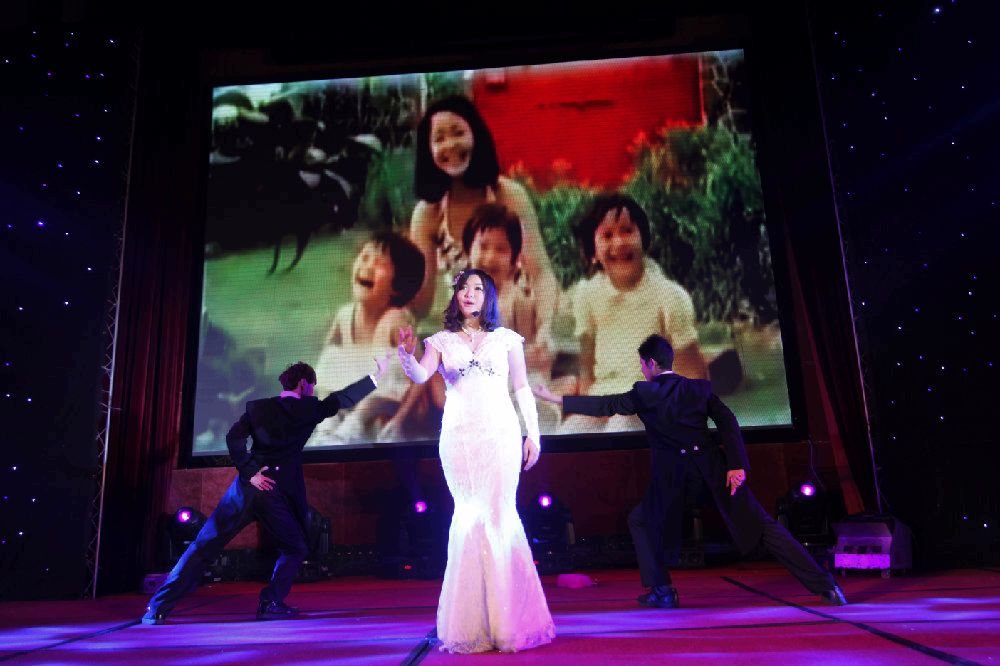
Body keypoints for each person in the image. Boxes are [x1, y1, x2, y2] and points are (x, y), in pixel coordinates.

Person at [533, 334, 847, 609]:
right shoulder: (698, 388)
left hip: (674, 480)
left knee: (640, 520)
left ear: (651, 364)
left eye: (643, 365)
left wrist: (555, 398)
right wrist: (736, 464)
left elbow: (606, 406)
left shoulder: (646, 393)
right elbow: (727, 420)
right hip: (713, 472)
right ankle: (827, 587)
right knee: (763, 526)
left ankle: (663, 591)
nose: (643, 370)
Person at [141, 357, 391, 625]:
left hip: (247, 487)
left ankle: (157, 608)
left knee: (204, 545)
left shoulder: (258, 408)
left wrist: (250, 472)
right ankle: (270, 602)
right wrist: (376, 376)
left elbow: (233, 437)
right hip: (274, 492)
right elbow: (341, 399)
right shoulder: (309, 409)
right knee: (295, 548)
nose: (313, 391)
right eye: (312, 385)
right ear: (303, 384)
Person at [397, 268, 555, 653]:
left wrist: (533, 435)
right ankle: (472, 625)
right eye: (464, 288)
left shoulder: (507, 340)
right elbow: (421, 375)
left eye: (478, 288)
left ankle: (509, 623)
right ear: (456, 295)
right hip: (460, 440)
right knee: (468, 516)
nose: (469, 293)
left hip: (500, 435)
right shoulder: (441, 341)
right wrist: (406, 353)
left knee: (500, 515)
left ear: (489, 297)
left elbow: (521, 387)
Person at [408, 95, 558, 341]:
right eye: (439, 138)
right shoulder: (428, 214)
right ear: (428, 151)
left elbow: (541, 274)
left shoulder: (508, 195)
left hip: (518, 333)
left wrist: (545, 332)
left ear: (476, 136)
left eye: (458, 133)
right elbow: (420, 303)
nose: (450, 145)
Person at [561, 193, 707, 434]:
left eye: (627, 231)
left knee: (621, 425)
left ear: (644, 239)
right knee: (569, 431)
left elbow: (694, 373)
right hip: (605, 397)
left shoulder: (669, 296)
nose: (619, 242)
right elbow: (587, 366)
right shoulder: (587, 295)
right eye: (607, 235)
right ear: (593, 253)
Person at [310, 231, 425, 444]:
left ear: (397, 287)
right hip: (350, 401)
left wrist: (399, 421)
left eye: (380, 263)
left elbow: (420, 374)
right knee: (332, 356)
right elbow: (325, 366)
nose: (368, 266)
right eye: (364, 257)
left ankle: (354, 425)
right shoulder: (345, 315)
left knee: (384, 367)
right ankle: (328, 423)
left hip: (386, 406)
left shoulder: (395, 319)